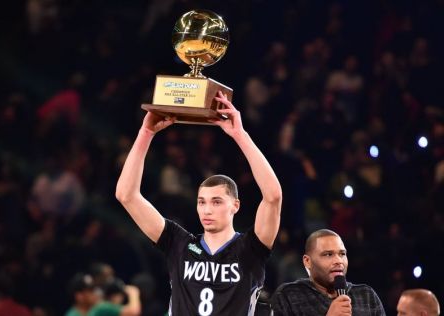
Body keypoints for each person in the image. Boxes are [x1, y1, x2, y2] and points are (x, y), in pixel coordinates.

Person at [116, 91, 283, 315]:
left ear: (235, 205)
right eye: (201, 202)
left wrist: (240, 135)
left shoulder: (250, 248)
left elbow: (273, 197)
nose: (207, 209)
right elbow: (126, 195)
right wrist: (145, 134)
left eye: (216, 202)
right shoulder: (179, 244)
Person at [270, 229, 385, 315]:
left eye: (342, 254)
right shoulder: (288, 296)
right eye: (328, 254)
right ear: (307, 261)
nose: (338, 261)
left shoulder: (366, 295)